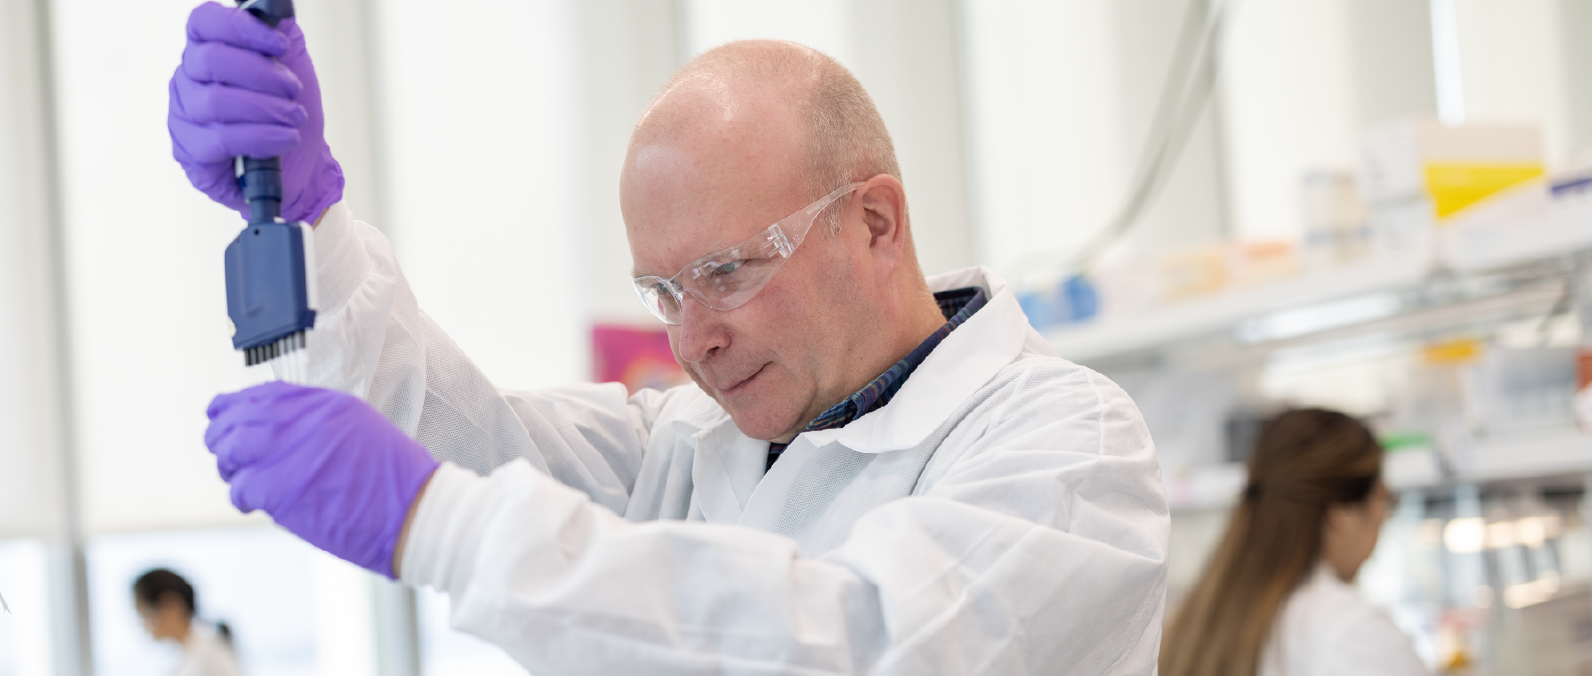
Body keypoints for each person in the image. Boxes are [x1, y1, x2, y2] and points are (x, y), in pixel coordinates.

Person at [172, 3, 1169, 673]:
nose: (695, 342)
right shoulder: (688, 446)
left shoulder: (1068, 447)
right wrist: (309, 222)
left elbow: (860, 641)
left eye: (727, 272)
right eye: (660, 290)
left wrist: (441, 524)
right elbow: (451, 439)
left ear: (874, 222)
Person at [1159, 409, 1428, 676]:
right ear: (1340, 513)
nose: (1383, 520)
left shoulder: (1197, 623)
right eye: (1384, 500)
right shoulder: (1350, 630)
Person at [132, 569, 243, 676]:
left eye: (143, 613)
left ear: (170, 605)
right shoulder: (184, 655)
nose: (142, 623)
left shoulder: (211, 655)